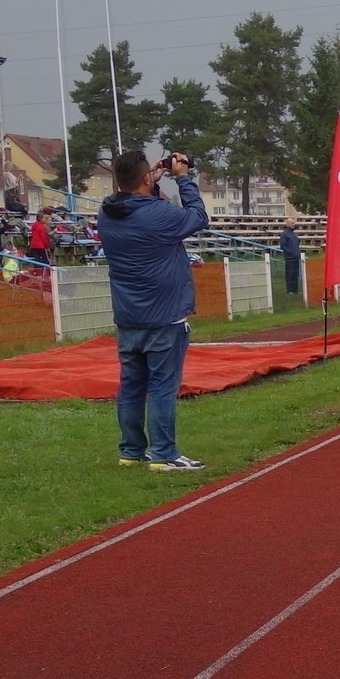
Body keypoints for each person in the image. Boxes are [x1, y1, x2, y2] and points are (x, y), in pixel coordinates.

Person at [98, 148, 211, 471]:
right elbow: (198, 216)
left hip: (128, 314)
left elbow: (137, 206)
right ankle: (164, 454)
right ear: (145, 178)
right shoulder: (158, 213)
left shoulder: (107, 212)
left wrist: (153, 182)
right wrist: (182, 178)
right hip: (164, 314)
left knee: (131, 385)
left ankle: (131, 451)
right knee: (162, 386)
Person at [279, 217, 304, 296]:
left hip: (296, 257)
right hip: (290, 258)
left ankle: (295, 290)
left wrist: (298, 253)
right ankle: (290, 290)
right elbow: (283, 246)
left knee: (295, 274)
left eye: (294, 223)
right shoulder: (285, 234)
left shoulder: (293, 234)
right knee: (290, 274)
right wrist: (291, 253)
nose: (294, 224)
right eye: (292, 223)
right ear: (287, 224)